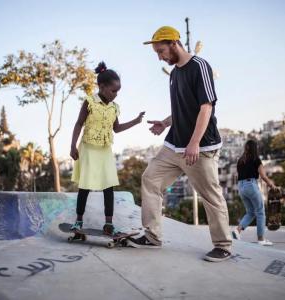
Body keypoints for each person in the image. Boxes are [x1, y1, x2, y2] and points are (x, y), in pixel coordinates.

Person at [128, 26, 232, 262]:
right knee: (150, 179)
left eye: (161, 51)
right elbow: (183, 108)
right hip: (174, 145)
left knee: (210, 195)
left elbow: (206, 107)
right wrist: (165, 123)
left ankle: (223, 244)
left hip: (201, 147)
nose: (160, 57)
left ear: (174, 44)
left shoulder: (199, 66)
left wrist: (194, 143)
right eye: (157, 53)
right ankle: (152, 235)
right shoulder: (174, 74)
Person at [70, 61, 145, 235]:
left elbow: (116, 129)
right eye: (113, 91)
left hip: (104, 149)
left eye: (118, 91)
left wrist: (135, 121)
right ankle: (78, 220)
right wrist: (72, 145)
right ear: (102, 87)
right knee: (85, 185)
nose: (116, 95)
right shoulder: (89, 102)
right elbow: (79, 123)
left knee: (108, 185)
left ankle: (108, 223)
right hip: (88, 148)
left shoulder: (114, 108)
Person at [232, 139, 278, 246]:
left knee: (251, 212)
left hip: (241, 187)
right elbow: (263, 176)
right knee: (260, 212)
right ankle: (261, 239)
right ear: (255, 148)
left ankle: (237, 230)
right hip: (251, 185)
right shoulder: (256, 159)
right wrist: (272, 185)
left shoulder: (240, 161)